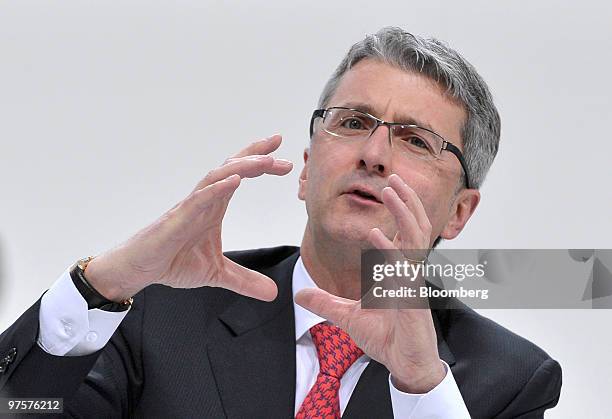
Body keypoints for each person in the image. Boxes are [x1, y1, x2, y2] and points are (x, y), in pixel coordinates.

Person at [0, 27, 561, 418]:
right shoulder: (160, 313)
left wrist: (419, 384)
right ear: (307, 170)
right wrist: (104, 283)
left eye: (416, 140)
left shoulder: (505, 379)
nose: (373, 154)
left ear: (459, 212)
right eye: (353, 121)